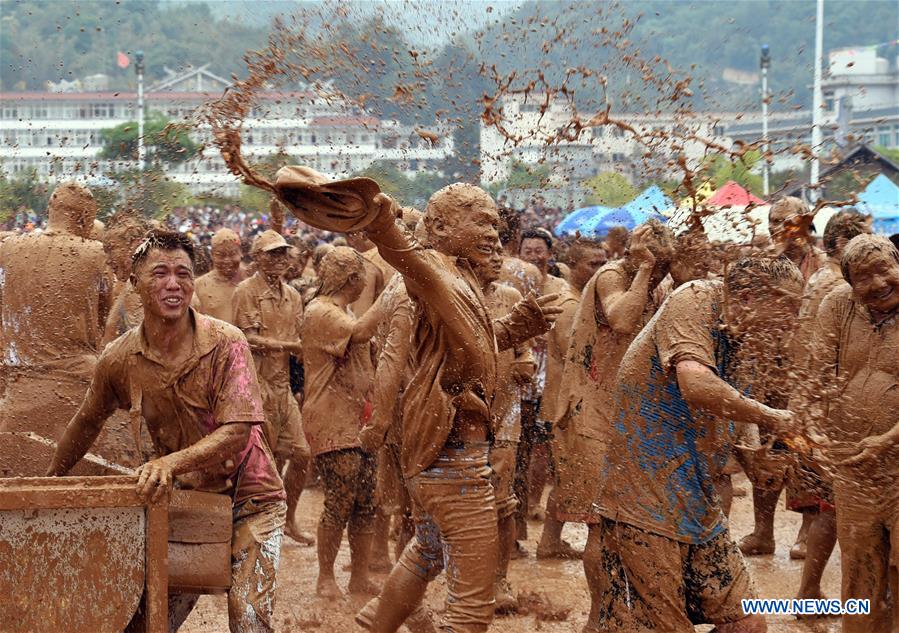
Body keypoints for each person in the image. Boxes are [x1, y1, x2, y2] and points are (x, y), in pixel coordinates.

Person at [47, 229, 287, 632]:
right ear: (135, 284)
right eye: (159, 273)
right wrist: (51, 484)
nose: (173, 283)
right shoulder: (119, 359)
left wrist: (169, 463)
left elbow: (238, 432)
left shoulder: (227, 343)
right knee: (147, 622)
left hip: (253, 499)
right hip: (189, 500)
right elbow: (86, 422)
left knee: (248, 619)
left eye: (183, 273)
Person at [347, 183, 561, 633]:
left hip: (444, 455)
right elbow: (403, 260)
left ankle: (373, 624)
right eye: (480, 220)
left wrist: (514, 326)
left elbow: (460, 350)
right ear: (441, 227)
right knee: (471, 606)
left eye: (494, 222)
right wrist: (383, 222)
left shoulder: (455, 278)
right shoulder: (429, 271)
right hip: (451, 461)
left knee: (427, 550)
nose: (493, 231)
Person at [594, 256, 804, 633]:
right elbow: (696, 384)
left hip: (698, 502)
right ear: (746, 296)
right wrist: (772, 416)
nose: (792, 320)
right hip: (644, 498)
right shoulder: (697, 299)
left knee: (747, 623)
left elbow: (730, 411)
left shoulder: (748, 338)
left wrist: (756, 462)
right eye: (787, 305)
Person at [553, 220, 675, 627]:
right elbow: (622, 319)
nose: (660, 274)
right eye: (655, 265)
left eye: (663, 267)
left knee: (635, 526)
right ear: (637, 255)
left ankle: (627, 611)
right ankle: (599, 617)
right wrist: (643, 269)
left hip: (630, 415)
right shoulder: (613, 275)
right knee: (600, 527)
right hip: (591, 413)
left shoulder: (657, 284)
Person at [806, 234, 899, 633]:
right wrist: (811, 426)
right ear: (849, 282)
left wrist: (888, 439)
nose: (879, 283)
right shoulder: (837, 306)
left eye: (885, 270)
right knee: (860, 571)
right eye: (864, 277)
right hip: (855, 472)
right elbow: (814, 378)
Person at [787, 210, 870, 602]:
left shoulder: (823, 278)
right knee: (834, 507)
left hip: (814, 404)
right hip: (828, 410)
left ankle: (813, 591)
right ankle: (813, 593)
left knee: (830, 507)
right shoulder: (839, 287)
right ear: (844, 245)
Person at [739, 196, 827, 557]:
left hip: (808, 376)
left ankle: (807, 531)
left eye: (786, 221)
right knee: (765, 454)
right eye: (773, 221)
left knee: (807, 455)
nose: (778, 228)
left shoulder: (822, 268)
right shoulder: (762, 265)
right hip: (766, 373)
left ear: (805, 223)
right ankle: (763, 531)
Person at [0, 182, 115, 451]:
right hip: (76, 391)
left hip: (17, 387)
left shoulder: (9, 249)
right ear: (87, 218)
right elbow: (102, 321)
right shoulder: (97, 254)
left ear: (50, 209)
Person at [301, 246, 382, 598]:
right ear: (353, 279)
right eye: (363, 275)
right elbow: (362, 332)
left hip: (359, 419)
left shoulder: (343, 310)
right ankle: (325, 577)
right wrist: (395, 293)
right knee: (340, 499)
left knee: (366, 501)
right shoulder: (321, 311)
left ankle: (359, 576)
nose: (368, 281)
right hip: (332, 418)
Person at [232, 229, 313, 546]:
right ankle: (261, 524)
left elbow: (301, 345)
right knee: (262, 461)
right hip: (256, 385)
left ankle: (288, 517)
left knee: (302, 453)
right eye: (272, 253)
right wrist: (289, 345)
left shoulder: (292, 296)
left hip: (281, 387)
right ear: (257, 257)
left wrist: (299, 382)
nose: (279, 260)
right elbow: (247, 339)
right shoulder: (246, 291)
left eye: (282, 253)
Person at [475, 243, 535, 612]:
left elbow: (524, 349)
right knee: (455, 502)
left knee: (502, 504)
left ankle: (498, 580)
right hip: (456, 415)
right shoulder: (449, 291)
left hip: (505, 414)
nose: (498, 258)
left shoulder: (510, 295)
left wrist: (525, 363)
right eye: (488, 251)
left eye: (499, 250)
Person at [535, 238, 604, 559]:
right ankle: (559, 542)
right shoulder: (570, 305)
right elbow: (582, 357)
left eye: (604, 262)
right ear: (573, 266)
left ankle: (550, 541)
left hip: (571, 402)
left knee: (570, 477)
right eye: (594, 264)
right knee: (581, 476)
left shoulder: (582, 298)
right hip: (570, 406)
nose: (602, 269)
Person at [516, 228, 572, 532]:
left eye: (540, 251)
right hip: (521, 377)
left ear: (550, 255)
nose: (535, 256)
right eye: (529, 251)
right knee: (517, 448)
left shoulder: (561, 287)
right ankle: (518, 510)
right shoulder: (511, 283)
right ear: (519, 253)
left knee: (543, 448)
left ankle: (535, 502)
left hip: (551, 375)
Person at [192, 228, 245, 324]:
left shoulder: (249, 279)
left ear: (241, 253)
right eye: (220, 255)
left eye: (232, 254)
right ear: (212, 255)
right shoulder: (199, 286)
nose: (227, 260)